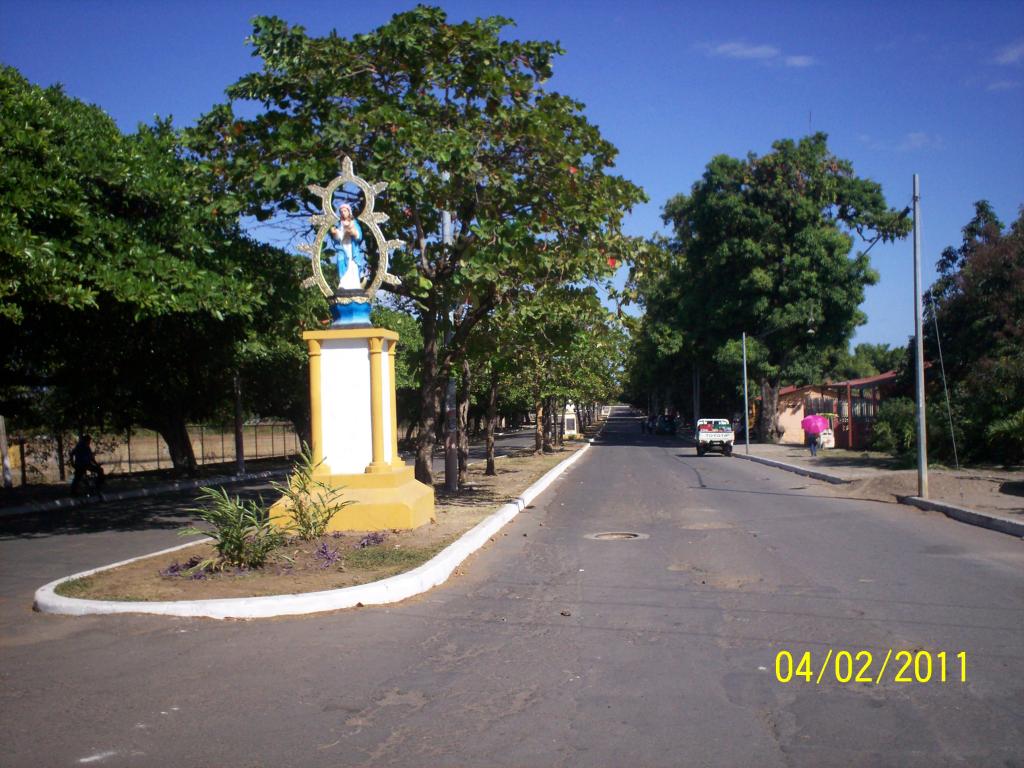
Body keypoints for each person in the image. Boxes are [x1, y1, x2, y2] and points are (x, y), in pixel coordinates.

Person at [330, 203, 365, 290]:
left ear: (349, 212)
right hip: (343, 248)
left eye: (345, 211)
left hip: (352, 248)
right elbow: (339, 237)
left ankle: (355, 285)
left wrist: (354, 233)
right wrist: (335, 233)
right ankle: (343, 284)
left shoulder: (354, 223)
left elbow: (359, 235)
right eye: (341, 211)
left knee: (353, 264)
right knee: (341, 262)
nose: (343, 213)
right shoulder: (340, 224)